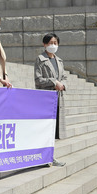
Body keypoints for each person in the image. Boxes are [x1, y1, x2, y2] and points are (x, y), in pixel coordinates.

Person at [34, 33, 67, 167]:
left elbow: (64, 76)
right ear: (45, 44)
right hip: (46, 98)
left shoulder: (59, 60)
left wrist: (63, 85)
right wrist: (54, 82)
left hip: (58, 99)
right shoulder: (40, 59)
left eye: (55, 43)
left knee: (53, 130)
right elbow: (38, 79)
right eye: (50, 43)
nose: (53, 45)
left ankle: (50, 156)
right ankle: (44, 157)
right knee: (46, 129)